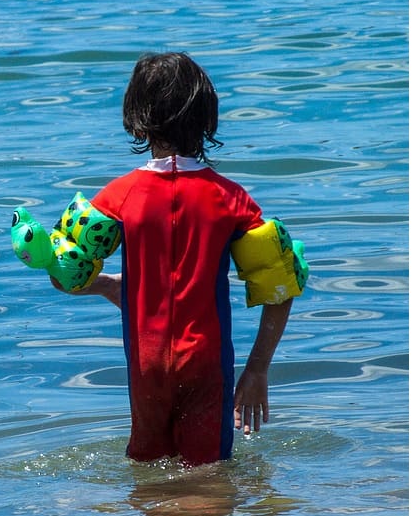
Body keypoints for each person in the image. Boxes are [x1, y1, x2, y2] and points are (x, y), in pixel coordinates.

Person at [52, 52, 294, 467]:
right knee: (209, 476)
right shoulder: (232, 201)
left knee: (147, 475)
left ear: (137, 119)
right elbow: (282, 287)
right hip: (206, 363)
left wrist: (106, 284)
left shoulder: (117, 197)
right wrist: (257, 371)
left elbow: (65, 277)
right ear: (207, 118)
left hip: (146, 369)